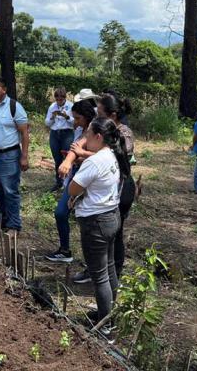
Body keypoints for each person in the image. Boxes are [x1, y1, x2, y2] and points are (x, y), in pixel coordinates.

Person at [68, 116, 131, 332]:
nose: (85, 137)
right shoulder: (111, 154)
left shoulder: (95, 161)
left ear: (98, 136)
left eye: (88, 133)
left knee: (100, 275)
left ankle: (105, 327)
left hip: (96, 222)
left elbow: (73, 188)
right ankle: (108, 314)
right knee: (109, 269)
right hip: (111, 217)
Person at [71, 93, 136, 284]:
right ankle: (99, 271)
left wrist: (83, 154)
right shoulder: (102, 128)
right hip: (109, 185)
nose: (95, 116)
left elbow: (112, 157)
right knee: (104, 237)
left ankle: (112, 275)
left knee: (114, 234)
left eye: (99, 112)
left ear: (112, 114)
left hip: (121, 186)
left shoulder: (123, 133)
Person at [44, 94, 97, 263]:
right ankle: (65, 250)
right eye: (74, 118)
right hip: (77, 175)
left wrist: (79, 157)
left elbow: (105, 155)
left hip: (93, 180)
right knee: (61, 212)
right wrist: (72, 158)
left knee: (90, 221)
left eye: (78, 118)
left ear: (87, 116)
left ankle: (94, 262)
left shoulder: (97, 131)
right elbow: (76, 147)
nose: (75, 121)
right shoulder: (81, 130)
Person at [0, 77, 29, 235]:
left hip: (8, 155)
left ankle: (14, 225)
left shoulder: (14, 107)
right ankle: (1, 220)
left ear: (4, 90)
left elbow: (24, 133)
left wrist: (24, 156)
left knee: (10, 191)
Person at [44, 87, 74, 192]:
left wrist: (67, 117)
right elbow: (47, 123)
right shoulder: (52, 106)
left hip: (67, 133)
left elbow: (75, 122)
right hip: (55, 133)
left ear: (65, 97)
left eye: (61, 99)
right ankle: (58, 182)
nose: (59, 101)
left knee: (67, 158)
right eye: (57, 99)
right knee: (57, 159)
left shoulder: (70, 106)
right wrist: (52, 117)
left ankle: (68, 183)